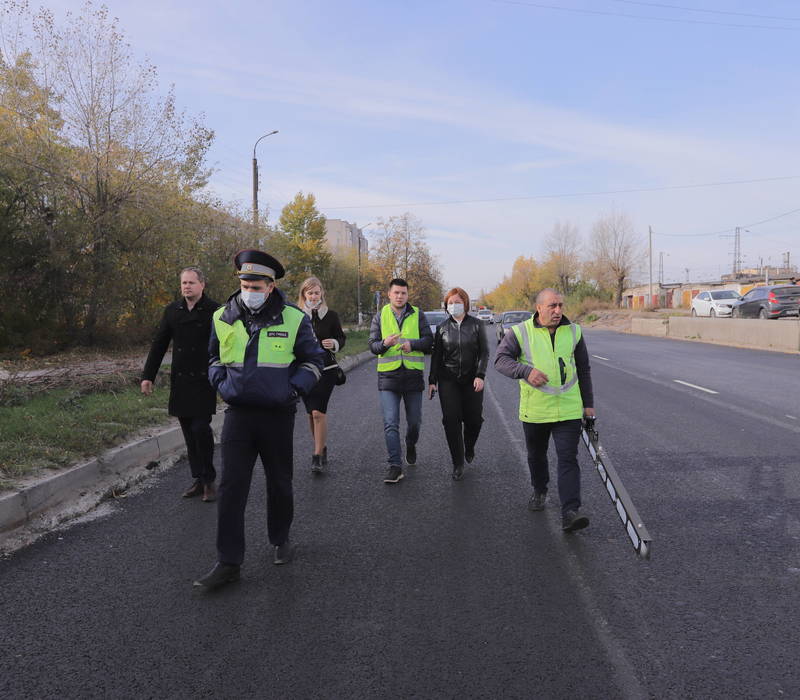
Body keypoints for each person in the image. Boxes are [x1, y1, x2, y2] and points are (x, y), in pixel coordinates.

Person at [194, 250, 325, 590]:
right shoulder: (223, 316)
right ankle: (228, 562)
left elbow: (314, 361)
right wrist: (221, 383)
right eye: (244, 284)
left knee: (279, 481)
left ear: (270, 287)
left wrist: (291, 390)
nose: (248, 290)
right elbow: (212, 358)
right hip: (239, 415)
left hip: (277, 414)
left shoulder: (294, 318)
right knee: (231, 487)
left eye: (255, 285)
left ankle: (280, 538)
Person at [494, 288, 595, 532]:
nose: (558, 311)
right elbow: (500, 361)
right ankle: (540, 489)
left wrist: (588, 405)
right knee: (536, 456)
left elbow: (583, 369)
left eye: (560, 305)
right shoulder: (520, 332)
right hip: (536, 410)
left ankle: (570, 511)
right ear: (539, 308)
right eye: (552, 306)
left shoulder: (574, 331)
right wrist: (526, 372)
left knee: (568, 459)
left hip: (568, 410)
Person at [141, 267, 220, 502]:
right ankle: (198, 478)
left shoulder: (215, 311)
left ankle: (209, 480)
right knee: (188, 431)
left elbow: (226, 345)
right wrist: (148, 376)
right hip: (181, 380)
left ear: (202, 284)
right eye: (184, 283)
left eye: (191, 282)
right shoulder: (172, 311)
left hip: (205, 379)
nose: (187, 286)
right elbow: (159, 345)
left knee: (200, 429)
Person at [368, 278, 433, 484]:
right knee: (390, 423)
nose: (399, 296)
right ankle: (395, 466)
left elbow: (429, 342)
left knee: (414, 422)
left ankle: (410, 444)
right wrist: (385, 344)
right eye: (396, 292)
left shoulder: (418, 314)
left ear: (407, 295)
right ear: (389, 294)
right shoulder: (380, 316)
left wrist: (412, 344)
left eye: (403, 293)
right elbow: (372, 346)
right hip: (388, 377)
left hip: (413, 377)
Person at [428, 287, 488, 481]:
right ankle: (458, 462)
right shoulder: (442, 328)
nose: (454, 305)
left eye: (458, 302)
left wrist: (480, 375)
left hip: (472, 380)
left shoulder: (477, 325)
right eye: (450, 303)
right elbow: (437, 356)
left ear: (466, 303)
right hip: (448, 380)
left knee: (474, 420)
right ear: (446, 306)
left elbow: (484, 353)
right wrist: (432, 381)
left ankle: (469, 445)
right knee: (451, 420)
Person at [297, 276, 346, 474]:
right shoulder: (297, 316)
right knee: (310, 413)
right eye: (310, 293)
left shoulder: (331, 315)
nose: (314, 296)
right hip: (304, 370)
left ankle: (317, 455)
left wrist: (334, 343)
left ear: (322, 293)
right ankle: (321, 445)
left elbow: (341, 337)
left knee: (318, 412)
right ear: (304, 295)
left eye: (317, 292)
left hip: (326, 370)